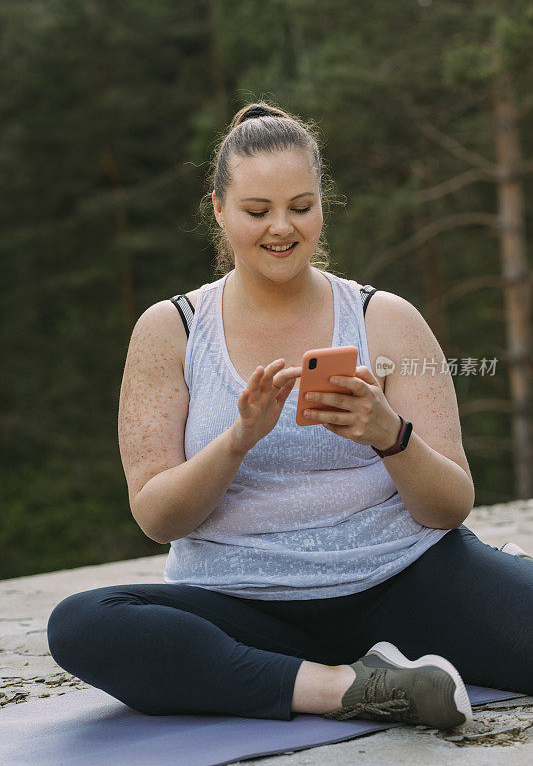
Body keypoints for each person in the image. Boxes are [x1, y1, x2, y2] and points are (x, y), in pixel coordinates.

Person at [47, 102, 533, 730]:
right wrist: (237, 441)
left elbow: (449, 506)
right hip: (243, 605)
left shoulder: (386, 320)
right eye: (257, 211)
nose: (282, 228)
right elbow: (158, 518)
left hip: (402, 579)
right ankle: (346, 688)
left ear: (321, 207)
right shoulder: (170, 332)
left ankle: (477, 590)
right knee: (83, 626)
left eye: (301, 207)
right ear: (219, 209)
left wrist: (390, 436)